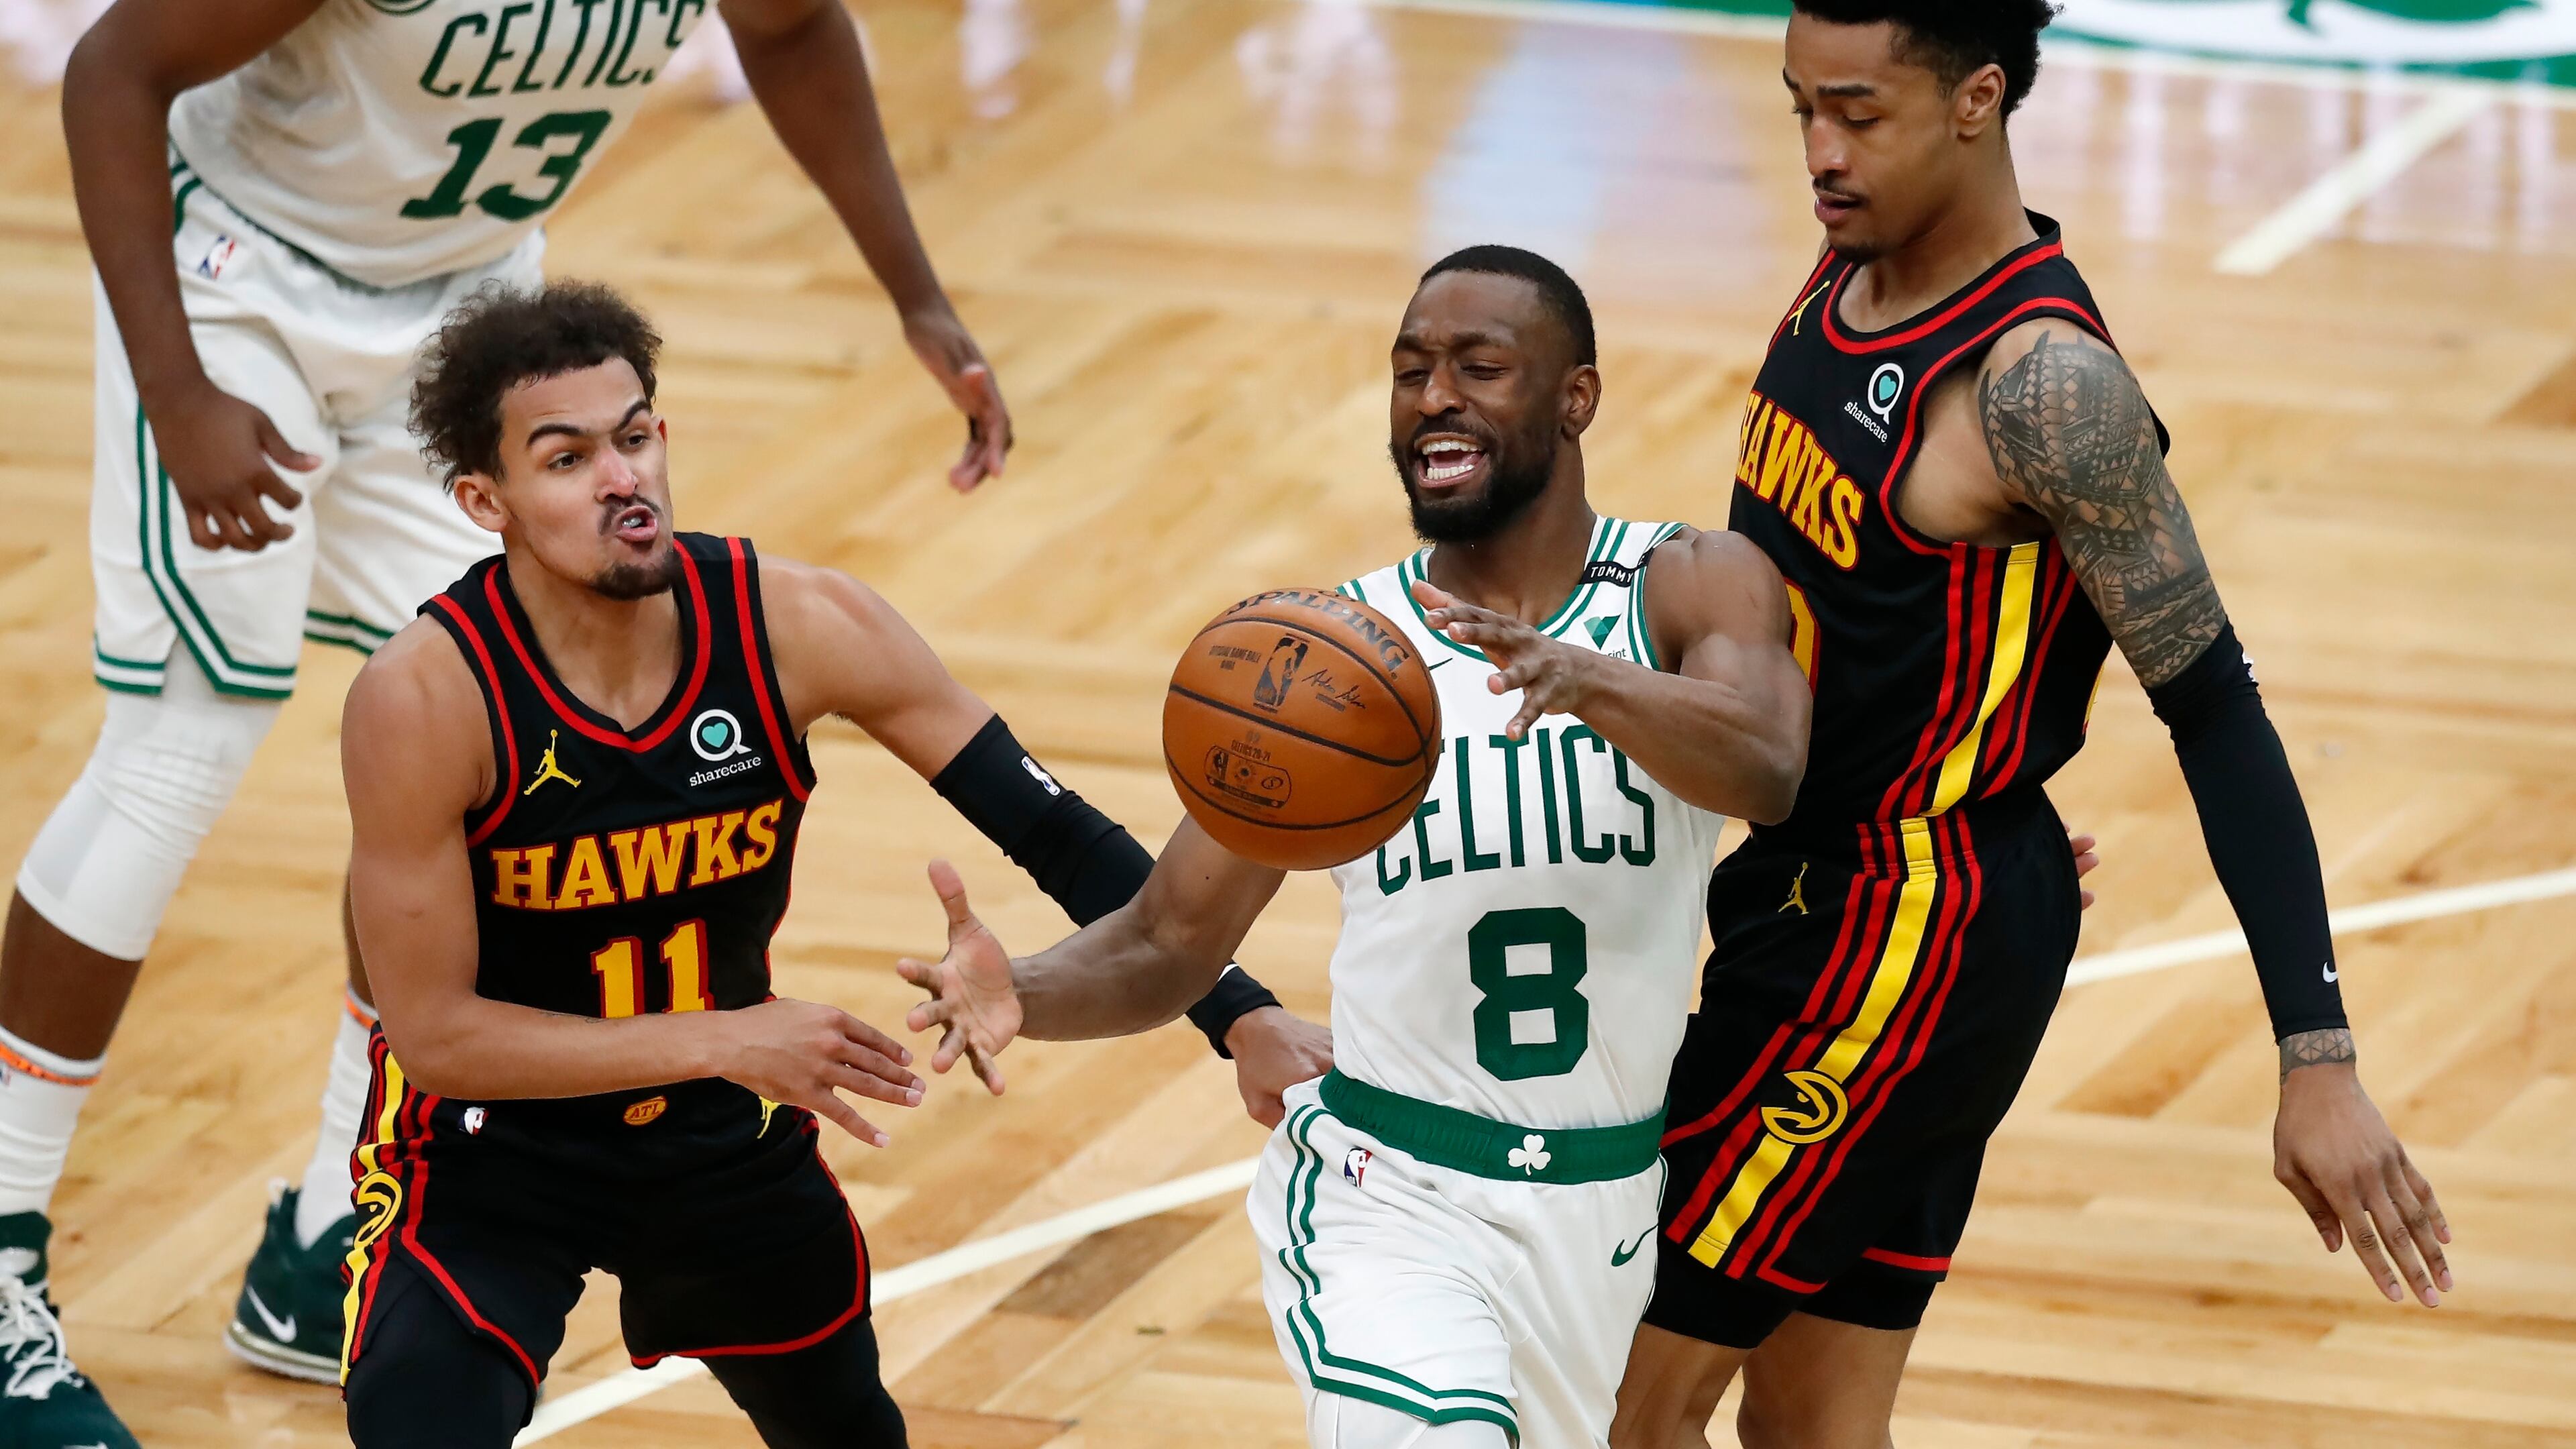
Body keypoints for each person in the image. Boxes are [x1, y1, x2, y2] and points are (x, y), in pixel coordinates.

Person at [1611, 7, 2453, 1448]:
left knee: (1624, 1402)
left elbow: (2215, 706)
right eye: (1802, 106)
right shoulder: (1852, 266)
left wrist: (2316, 1056)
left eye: (1858, 113)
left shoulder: (2044, 388)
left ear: (1977, 99)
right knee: (1812, 1424)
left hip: (1892, 940)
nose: (1820, 152)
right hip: (1883, 899)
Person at [332, 279, 1316, 1446]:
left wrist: (1240, 1015)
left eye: (635, 438)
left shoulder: (798, 623)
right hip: (493, 1149)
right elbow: (438, 1038)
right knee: (416, 1419)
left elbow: (1056, 832)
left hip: (720, 1141)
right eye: (568, 459)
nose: (621, 479)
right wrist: (724, 1039)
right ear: (483, 499)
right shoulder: (426, 697)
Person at [902, 246, 1814, 1449]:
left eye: (1480, 367)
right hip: (1394, 1199)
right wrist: (1021, 991)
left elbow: (1768, 768)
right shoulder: (1332, 660)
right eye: (1410, 370)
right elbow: (1169, 938)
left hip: (1607, 1214)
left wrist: (1580, 676)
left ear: (1576, 398)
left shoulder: (1685, 585)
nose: (1436, 397)